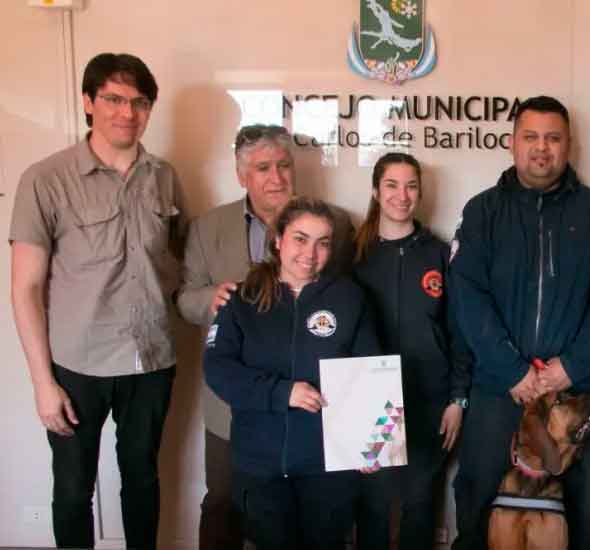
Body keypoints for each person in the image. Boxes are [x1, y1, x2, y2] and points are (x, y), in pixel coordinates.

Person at [9, 52, 182, 549]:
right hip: (76, 366)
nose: (127, 112)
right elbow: (24, 287)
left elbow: (174, 262)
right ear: (88, 102)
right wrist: (44, 384)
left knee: (144, 482)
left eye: (139, 101)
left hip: (151, 360)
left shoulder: (165, 177)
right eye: (113, 98)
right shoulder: (46, 179)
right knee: (72, 489)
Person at [449, 96, 590, 550]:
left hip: (575, 390)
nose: (541, 148)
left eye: (553, 138)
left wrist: (571, 365)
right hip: (500, 388)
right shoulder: (483, 211)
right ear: (512, 143)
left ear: (569, 145)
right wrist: (514, 371)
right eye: (530, 137)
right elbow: (468, 295)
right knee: (477, 504)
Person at [176, 124, 354, 549]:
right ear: (242, 176)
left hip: (315, 407)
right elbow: (184, 299)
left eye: (283, 165)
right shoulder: (208, 228)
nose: (276, 177)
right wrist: (210, 299)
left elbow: (347, 306)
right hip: (235, 405)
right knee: (223, 501)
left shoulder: (336, 224)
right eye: (262, 168)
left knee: (316, 512)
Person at [204, 196, 379, 550]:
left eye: (323, 243)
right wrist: (282, 393)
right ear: (278, 240)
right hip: (260, 464)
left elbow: (370, 372)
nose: (310, 253)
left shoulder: (350, 298)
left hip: (328, 467)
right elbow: (218, 369)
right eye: (300, 238)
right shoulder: (243, 297)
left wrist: (372, 443)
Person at [352, 152, 472, 550]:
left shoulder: (440, 253)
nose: (402, 196)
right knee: (373, 506)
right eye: (391, 185)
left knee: (420, 505)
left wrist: (457, 398)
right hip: (372, 404)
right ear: (375, 190)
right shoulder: (354, 254)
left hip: (429, 399)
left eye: (411, 185)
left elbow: (459, 331)